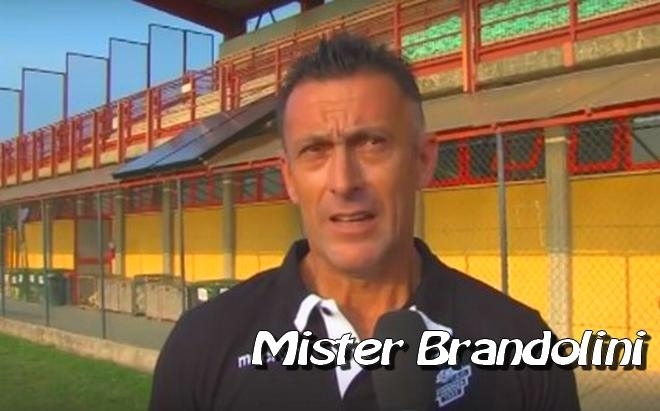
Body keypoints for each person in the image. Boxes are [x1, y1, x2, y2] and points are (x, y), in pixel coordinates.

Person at [148, 32, 581, 411]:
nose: (344, 181)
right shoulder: (202, 346)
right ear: (290, 179)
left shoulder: (523, 346)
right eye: (315, 150)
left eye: (372, 143)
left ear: (422, 161)